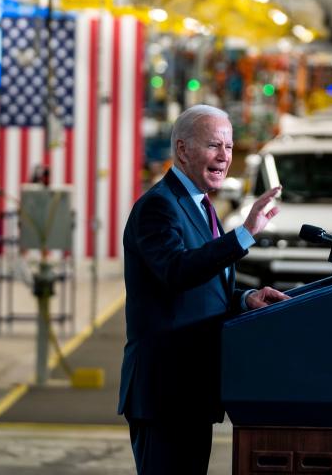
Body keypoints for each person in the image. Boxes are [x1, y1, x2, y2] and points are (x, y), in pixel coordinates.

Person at [118, 104, 288, 475]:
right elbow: (176, 271)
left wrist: (244, 299)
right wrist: (243, 235)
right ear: (182, 150)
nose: (225, 157)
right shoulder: (158, 208)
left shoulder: (200, 206)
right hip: (165, 390)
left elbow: (201, 287)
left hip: (192, 390)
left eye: (228, 148)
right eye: (214, 146)